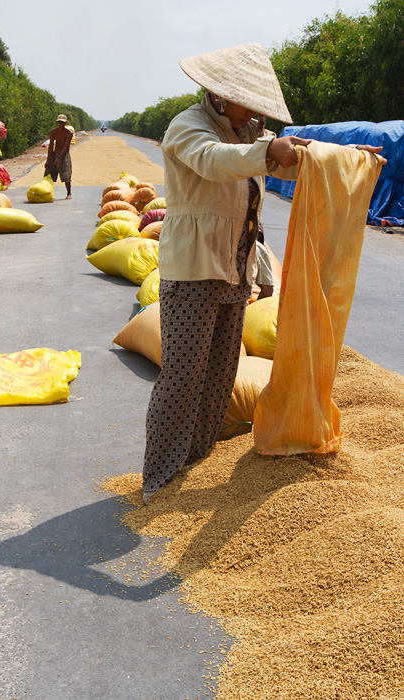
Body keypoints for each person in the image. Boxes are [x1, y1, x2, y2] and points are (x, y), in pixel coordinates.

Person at [141, 43, 382, 506]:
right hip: (194, 271)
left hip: (234, 269)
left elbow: (291, 164)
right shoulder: (188, 126)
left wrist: (348, 157)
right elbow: (215, 161)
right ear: (220, 95)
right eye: (245, 101)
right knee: (183, 375)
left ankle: (196, 458)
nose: (253, 111)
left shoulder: (248, 131)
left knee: (219, 373)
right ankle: (159, 476)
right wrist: (266, 148)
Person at [44, 114, 73, 199]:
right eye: (59, 122)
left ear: (65, 123)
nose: (61, 124)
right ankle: (47, 192)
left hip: (64, 154)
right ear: (57, 122)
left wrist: (59, 158)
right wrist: (48, 159)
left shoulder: (68, 133)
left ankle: (69, 193)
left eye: (63, 122)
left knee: (66, 174)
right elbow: (51, 146)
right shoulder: (53, 132)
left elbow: (66, 147)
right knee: (48, 173)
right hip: (55, 153)